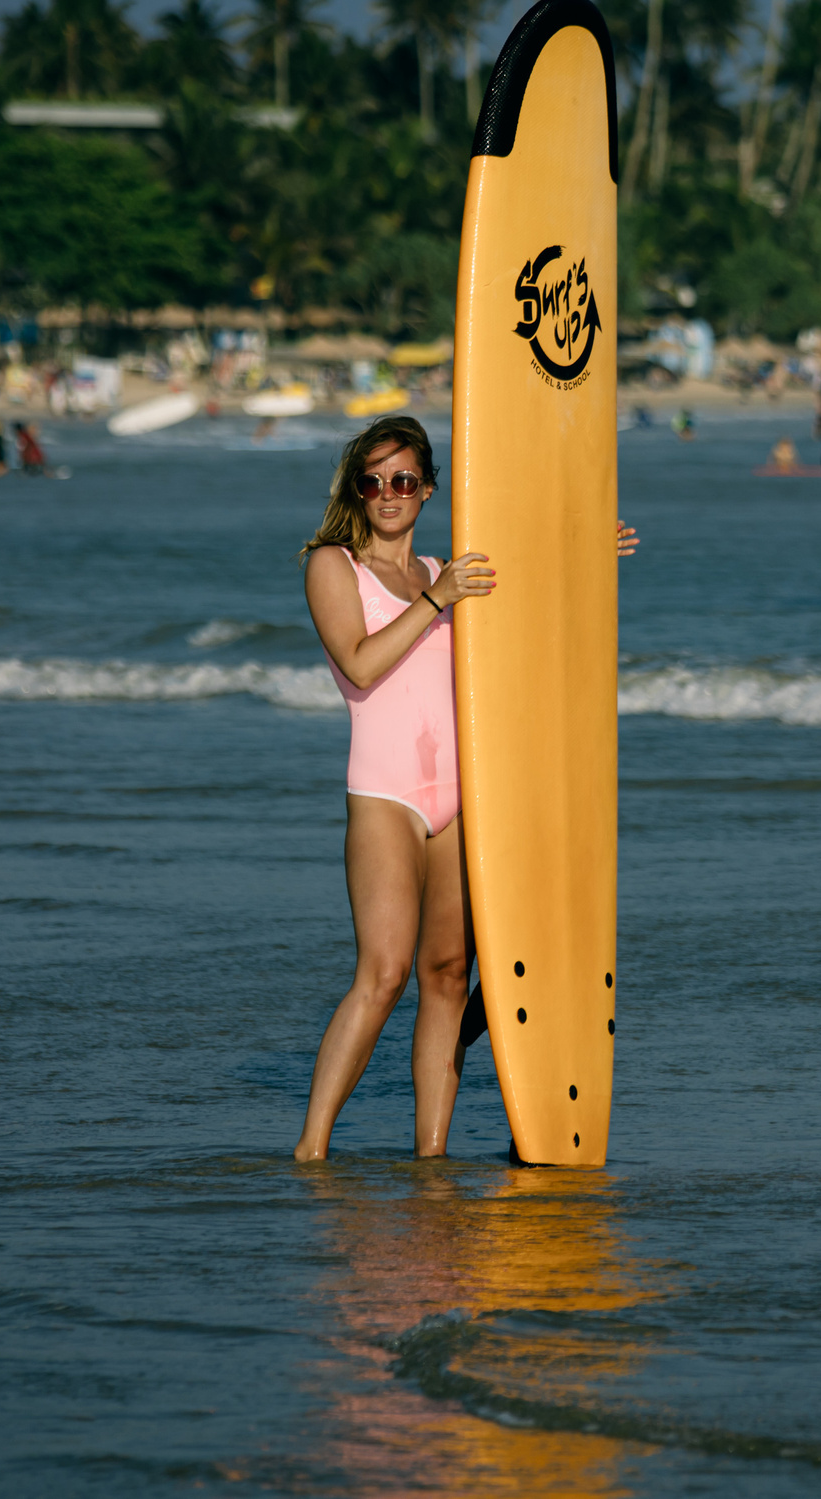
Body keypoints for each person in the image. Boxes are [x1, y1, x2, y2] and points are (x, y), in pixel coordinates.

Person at [294, 416, 634, 1161]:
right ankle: (311, 1151)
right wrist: (436, 599)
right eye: (375, 480)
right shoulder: (333, 565)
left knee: (448, 976)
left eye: (405, 480)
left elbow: (532, 614)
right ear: (357, 488)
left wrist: (587, 552)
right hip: (387, 793)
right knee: (382, 975)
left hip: (459, 797)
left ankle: (433, 1157)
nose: (389, 494)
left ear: (428, 490)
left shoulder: (446, 570)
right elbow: (358, 662)